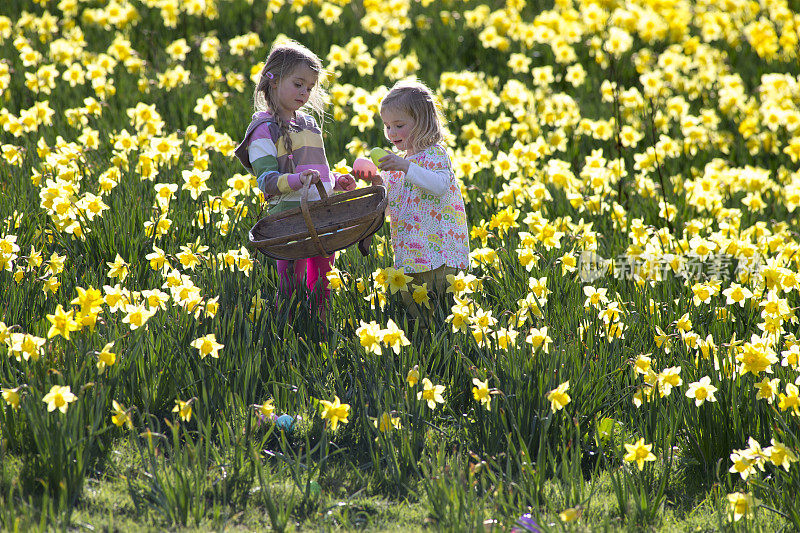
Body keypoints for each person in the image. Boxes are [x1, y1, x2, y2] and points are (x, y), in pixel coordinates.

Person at [234, 40, 356, 323]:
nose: (305, 92)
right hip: (288, 221)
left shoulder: (309, 125)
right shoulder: (264, 130)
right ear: (273, 81)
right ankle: (288, 332)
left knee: (324, 282)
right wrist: (297, 180)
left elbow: (316, 173)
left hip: (321, 217)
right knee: (292, 285)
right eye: (298, 84)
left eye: (310, 87)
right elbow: (266, 182)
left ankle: (320, 330)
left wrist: (335, 181)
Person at [355, 80, 470, 317]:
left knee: (444, 310)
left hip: (440, 252)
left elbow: (439, 186)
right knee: (417, 314)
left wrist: (405, 166)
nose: (392, 133)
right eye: (387, 126)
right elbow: (388, 206)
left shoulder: (435, 154)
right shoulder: (396, 164)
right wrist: (376, 182)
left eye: (399, 125)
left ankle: (447, 346)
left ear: (423, 123)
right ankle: (423, 346)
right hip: (410, 254)